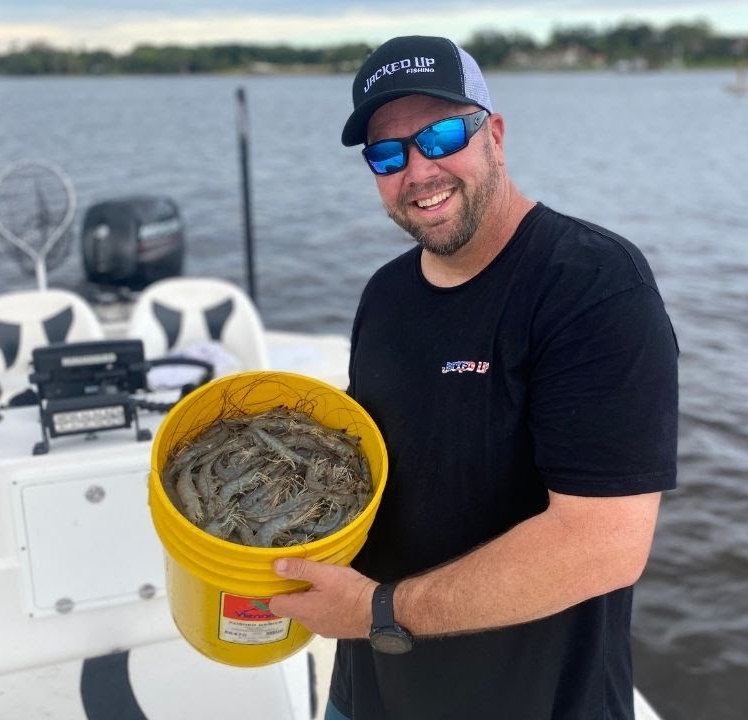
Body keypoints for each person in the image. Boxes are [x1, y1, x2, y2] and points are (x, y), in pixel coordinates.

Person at [267, 36, 679, 720]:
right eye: (387, 154)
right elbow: (361, 471)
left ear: (495, 134)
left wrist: (376, 610)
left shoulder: (591, 285)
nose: (418, 170)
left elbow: (604, 543)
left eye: (442, 134)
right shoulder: (385, 294)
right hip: (370, 691)